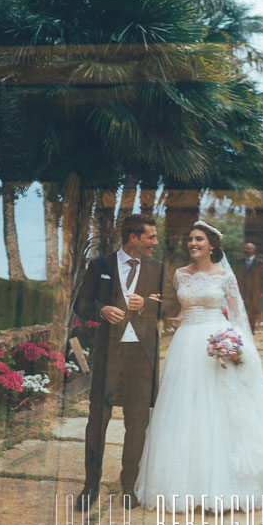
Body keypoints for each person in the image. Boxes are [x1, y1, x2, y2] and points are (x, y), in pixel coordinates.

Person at [135, 221, 263, 510]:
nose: (193, 244)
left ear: (212, 245)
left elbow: (237, 315)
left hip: (215, 344)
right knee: (183, 408)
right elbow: (178, 310)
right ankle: (184, 480)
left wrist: (234, 345)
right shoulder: (180, 275)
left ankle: (224, 481)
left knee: (218, 408)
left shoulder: (224, 277)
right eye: (190, 240)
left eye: (199, 240)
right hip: (184, 345)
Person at [74, 213, 176, 509]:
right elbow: (82, 305)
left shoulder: (157, 269)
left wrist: (147, 304)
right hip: (109, 355)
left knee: (137, 424)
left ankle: (128, 486)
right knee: (97, 422)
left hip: (142, 357)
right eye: (151, 237)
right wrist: (102, 309)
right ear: (133, 238)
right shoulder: (100, 265)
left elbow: (173, 304)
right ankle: (89, 487)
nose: (156, 243)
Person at [233, 241, 263, 333]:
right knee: (241, 310)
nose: (246, 250)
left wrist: (262, 291)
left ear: (253, 250)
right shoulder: (239, 261)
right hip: (242, 291)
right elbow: (235, 276)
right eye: (245, 248)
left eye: (248, 248)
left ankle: (251, 330)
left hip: (255, 292)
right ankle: (240, 329)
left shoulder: (259, 262)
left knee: (253, 311)